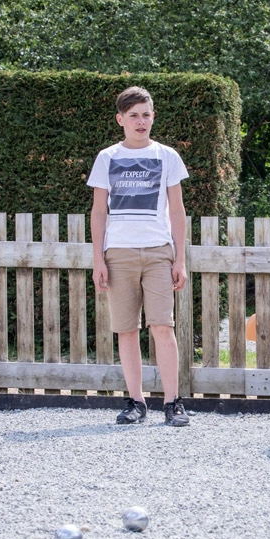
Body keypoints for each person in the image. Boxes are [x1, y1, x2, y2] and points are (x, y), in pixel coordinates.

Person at [88, 86, 191, 427]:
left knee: (163, 327)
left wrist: (180, 259)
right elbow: (99, 212)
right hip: (118, 254)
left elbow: (177, 211)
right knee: (127, 330)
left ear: (153, 116)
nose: (140, 121)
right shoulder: (107, 158)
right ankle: (136, 403)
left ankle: (173, 403)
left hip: (159, 253)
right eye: (133, 115)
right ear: (120, 119)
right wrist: (98, 260)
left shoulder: (167, 156)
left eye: (146, 114)